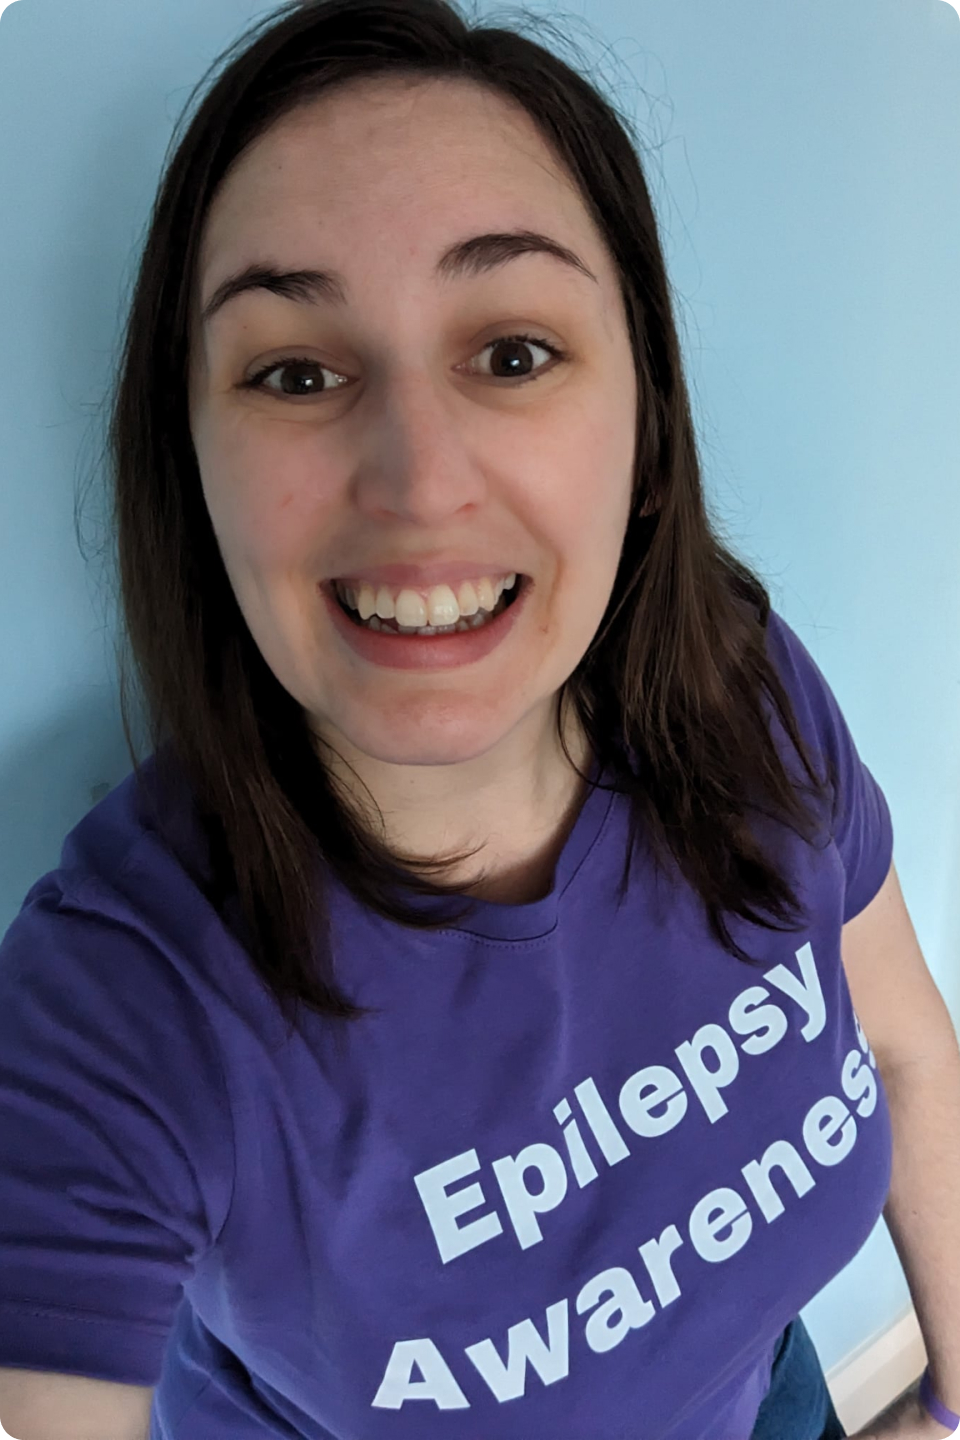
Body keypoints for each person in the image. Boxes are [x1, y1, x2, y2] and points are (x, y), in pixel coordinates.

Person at [0, 0, 900, 1436]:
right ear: (193, 473)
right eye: (296, 373)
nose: (419, 481)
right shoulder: (123, 1003)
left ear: (648, 429)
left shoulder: (750, 704)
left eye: (513, 353)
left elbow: (910, 1051)